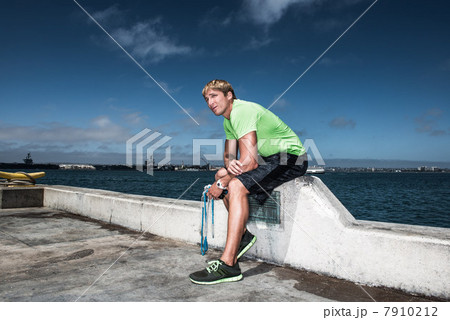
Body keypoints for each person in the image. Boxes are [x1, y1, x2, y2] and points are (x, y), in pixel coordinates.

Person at [189, 79, 308, 285]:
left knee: (231, 184)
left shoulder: (241, 111)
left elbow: (250, 162)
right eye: (207, 99)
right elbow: (229, 157)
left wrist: (223, 182)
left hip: (291, 157)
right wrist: (226, 171)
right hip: (269, 159)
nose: (209, 102)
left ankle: (228, 264)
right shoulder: (228, 121)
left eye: (214, 96)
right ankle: (242, 235)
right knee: (221, 175)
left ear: (229, 95)